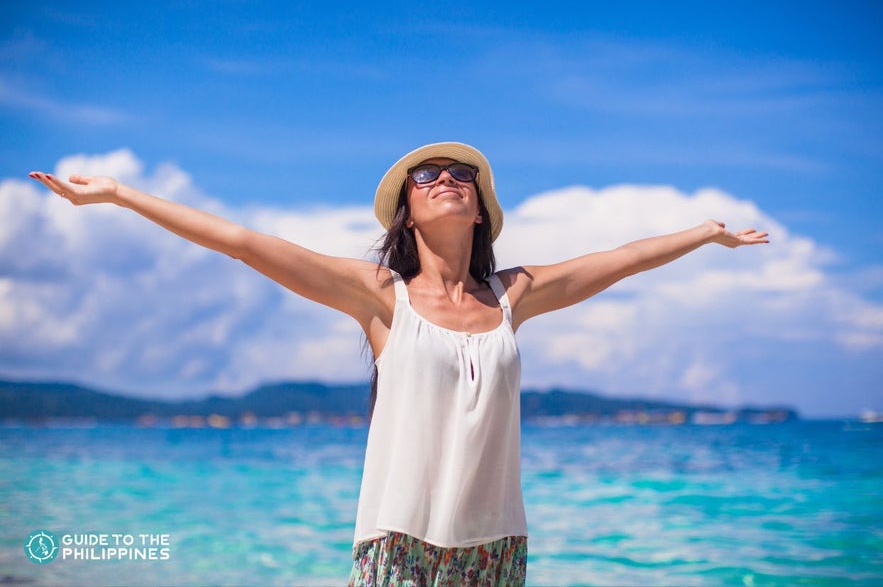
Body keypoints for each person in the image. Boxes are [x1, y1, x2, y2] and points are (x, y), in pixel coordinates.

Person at [29, 142, 768, 585]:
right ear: (405, 213)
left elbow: (617, 261)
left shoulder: (514, 295)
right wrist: (121, 195)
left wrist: (703, 233)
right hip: (396, 543)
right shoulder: (379, 296)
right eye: (426, 176)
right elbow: (242, 242)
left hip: (496, 546)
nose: (445, 178)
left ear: (479, 210)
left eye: (460, 175)